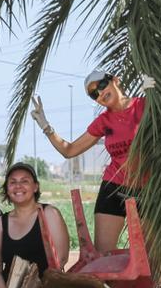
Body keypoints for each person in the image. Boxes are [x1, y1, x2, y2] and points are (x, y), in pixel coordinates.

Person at [31, 70, 154, 252]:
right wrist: (46, 126)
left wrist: (154, 90)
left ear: (115, 80)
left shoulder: (144, 105)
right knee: (103, 256)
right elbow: (69, 150)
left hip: (149, 188)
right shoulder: (103, 121)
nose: (100, 94)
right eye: (94, 94)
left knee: (152, 258)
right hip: (115, 186)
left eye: (101, 86)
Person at [0, 162, 70, 288]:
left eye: (24, 181)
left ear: (35, 187)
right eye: (13, 182)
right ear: (7, 189)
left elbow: (60, 259)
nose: (18, 186)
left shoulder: (50, 214)